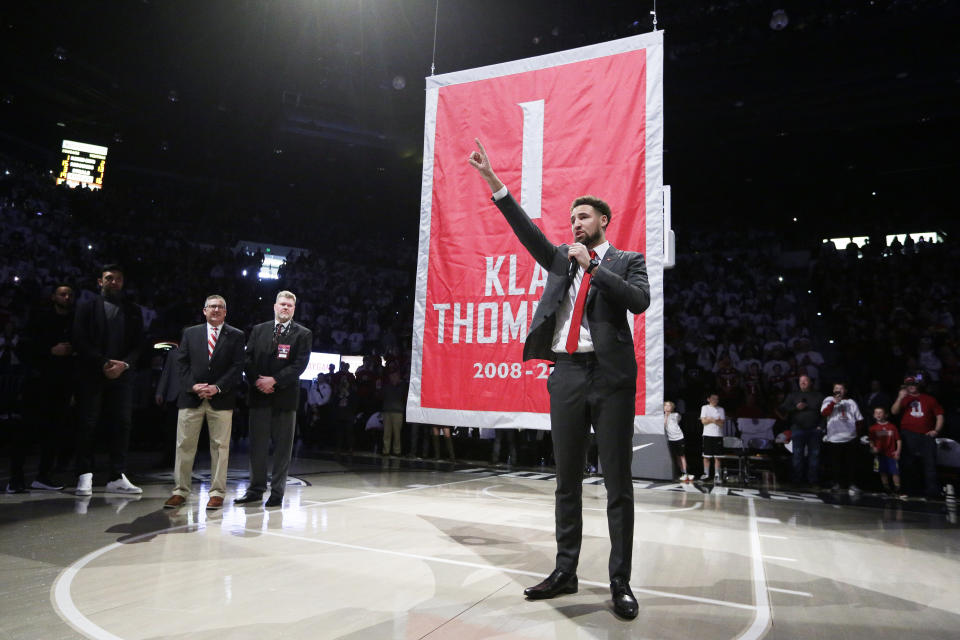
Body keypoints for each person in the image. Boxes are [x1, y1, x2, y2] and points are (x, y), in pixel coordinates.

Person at [469, 139, 650, 619]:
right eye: (572, 220)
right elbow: (524, 230)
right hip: (567, 374)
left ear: (603, 222)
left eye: (584, 218)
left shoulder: (626, 260)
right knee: (565, 480)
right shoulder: (559, 262)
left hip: (611, 378)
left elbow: (639, 301)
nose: (575, 225)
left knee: (618, 484)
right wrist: (493, 181)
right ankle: (565, 571)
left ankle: (620, 582)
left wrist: (596, 268)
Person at [163, 296, 245, 510]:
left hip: (221, 398)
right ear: (204, 310)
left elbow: (237, 367)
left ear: (225, 312)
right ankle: (180, 491)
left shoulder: (236, 335)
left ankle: (217, 493)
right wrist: (194, 386)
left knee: (220, 447)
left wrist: (217, 387)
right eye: (212, 307)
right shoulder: (190, 333)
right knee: (184, 446)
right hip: (192, 398)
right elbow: (181, 364)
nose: (216, 310)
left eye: (220, 307)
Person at [72, 264, 144, 496]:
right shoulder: (86, 307)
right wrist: (103, 362)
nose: (113, 282)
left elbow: (139, 343)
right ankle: (85, 474)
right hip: (93, 372)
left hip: (122, 374)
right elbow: (79, 339)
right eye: (109, 278)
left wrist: (123, 364)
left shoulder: (133, 310)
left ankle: (117, 475)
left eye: (118, 279)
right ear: (99, 281)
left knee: (122, 424)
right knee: (88, 423)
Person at [234, 291, 312, 508]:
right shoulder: (259, 330)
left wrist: (274, 381)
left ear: (294, 309)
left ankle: (277, 492)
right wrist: (258, 382)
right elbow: (247, 359)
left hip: (285, 399)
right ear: (275, 306)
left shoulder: (303, 334)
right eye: (282, 304)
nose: (285, 308)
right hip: (259, 396)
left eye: (289, 305)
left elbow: (299, 365)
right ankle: (255, 490)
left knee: (282, 449)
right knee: (257, 447)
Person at [8, 284, 75, 493]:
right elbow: (23, 348)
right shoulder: (39, 319)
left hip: (62, 384)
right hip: (38, 383)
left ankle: (43, 476)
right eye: (62, 294)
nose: (66, 297)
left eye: (70, 295)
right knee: (27, 431)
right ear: (53, 296)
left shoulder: (74, 322)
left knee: (54, 432)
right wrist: (50, 351)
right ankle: (15, 479)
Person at [891, 375, 944, 498]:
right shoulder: (904, 399)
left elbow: (940, 415)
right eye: (909, 385)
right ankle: (907, 490)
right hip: (908, 434)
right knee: (907, 463)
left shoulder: (929, 399)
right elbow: (894, 411)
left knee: (929, 463)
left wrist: (936, 430)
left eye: (914, 384)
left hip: (926, 434)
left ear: (918, 385)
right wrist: (900, 397)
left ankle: (932, 492)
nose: (912, 387)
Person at [777, 375, 824, 488]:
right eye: (800, 381)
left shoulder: (818, 395)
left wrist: (821, 426)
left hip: (814, 430)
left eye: (805, 381)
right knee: (797, 456)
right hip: (798, 429)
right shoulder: (793, 395)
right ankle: (797, 481)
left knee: (814, 456)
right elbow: (782, 408)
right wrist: (795, 408)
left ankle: (813, 481)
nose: (802, 383)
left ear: (810, 382)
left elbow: (825, 413)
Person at [820, 382, 864, 495]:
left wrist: (857, 435)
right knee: (835, 464)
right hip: (834, 438)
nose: (838, 390)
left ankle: (852, 485)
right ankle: (837, 484)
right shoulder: (828, 399)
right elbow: (824, 413)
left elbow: (859, 419)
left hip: (850, 437)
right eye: (836, 388)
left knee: (851, 463)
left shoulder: (851, 402)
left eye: (841, 388)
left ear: (845, 391)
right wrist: (834, 403)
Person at [867, 407, 904, 497]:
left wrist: (898, 451)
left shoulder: (892, 427)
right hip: (880, 455)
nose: (878, 414)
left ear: (886, 415)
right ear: (873, 415)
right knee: (882, 472)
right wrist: (873, 448)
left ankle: (897, 489)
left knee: (895, 472)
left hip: (891, 454)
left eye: (880, 412)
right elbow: (871, 441)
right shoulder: (873, 428)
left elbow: (898, 440)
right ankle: (886, 489)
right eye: (876, 413)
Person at [700, 392, 725, 483]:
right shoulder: (704, 408)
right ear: (709, 399)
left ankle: (717, 475)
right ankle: (706, 474)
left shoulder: (721, 409)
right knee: (706, 456)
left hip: (718, 435)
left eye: (717, 399)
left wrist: (711, 419)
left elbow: (721, 423)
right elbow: (703, 421)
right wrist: (715, 420)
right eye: (713, 398)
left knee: (717, 457)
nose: (715, 400)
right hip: (707, 434)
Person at [664, 401, 691, 482]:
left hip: (679, 438)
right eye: (666, 406)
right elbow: (664, 425)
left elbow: (677, 419)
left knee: (682, 455)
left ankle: (685, 472)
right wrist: (666, 415)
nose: (668, 407)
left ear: (672, 407)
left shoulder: (676, 415)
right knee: (676, 456)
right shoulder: (662, 416)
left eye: (669, 406)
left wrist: (669, 414)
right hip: (671, 439)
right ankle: (680, 471)